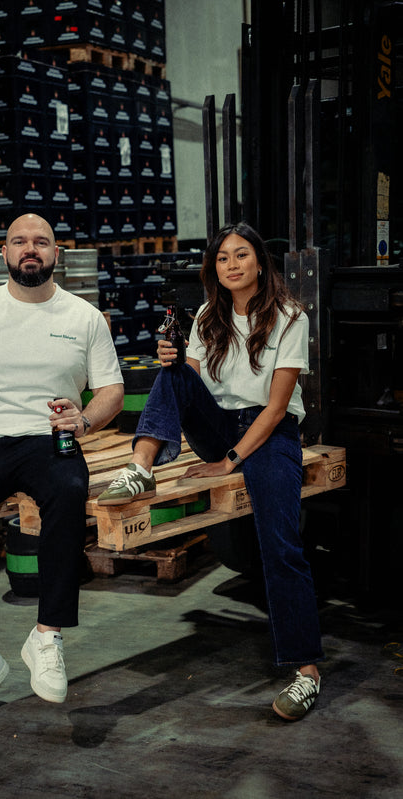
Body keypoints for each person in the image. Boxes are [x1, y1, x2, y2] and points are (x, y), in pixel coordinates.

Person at [97, 221, 324, 721]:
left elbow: (276, 406)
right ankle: (141, 467)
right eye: (222, 258)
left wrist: (230, 461)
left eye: (241, 255)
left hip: (271, 431)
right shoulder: (206, 316)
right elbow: (192, 390)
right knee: (172, 367)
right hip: (219, 423)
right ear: (213, 268)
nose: (232, 265)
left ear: (260, 262)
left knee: (281, 544)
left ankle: (305, 671)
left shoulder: (290, 316)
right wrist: (174, 366)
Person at [0, 213, 124, 724]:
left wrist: (85, 420)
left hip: (49, 436)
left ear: (58, 254)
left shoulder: (84, 317)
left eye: (41, 242)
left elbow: (112, 391)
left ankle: (47, 634)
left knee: (70, 487)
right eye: (19, 241)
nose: (29, 248)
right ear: (4, 253)